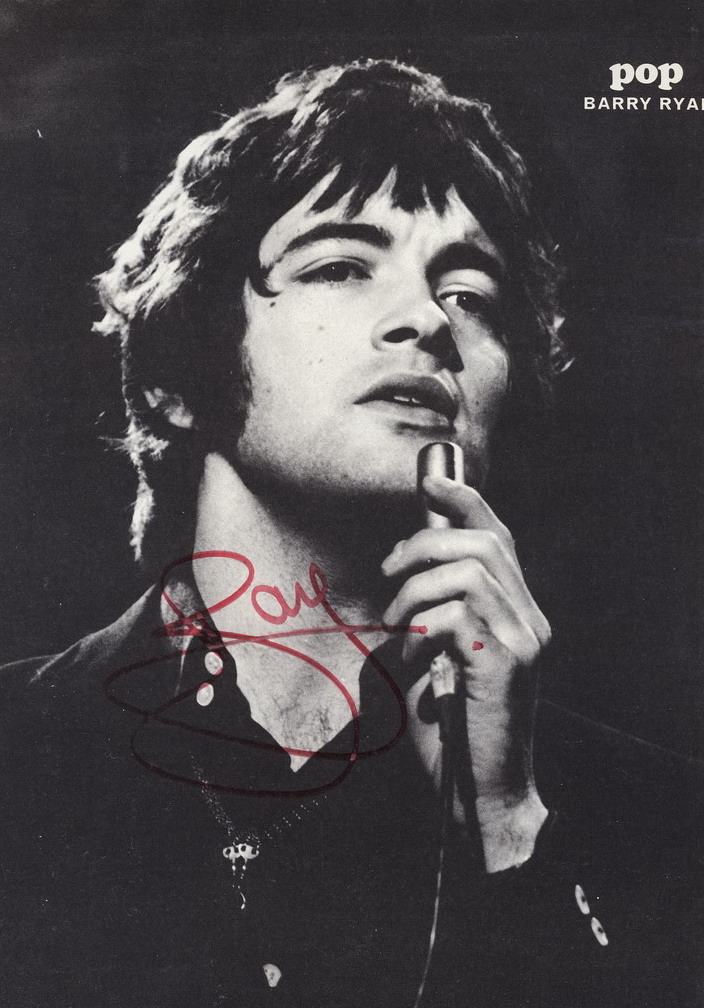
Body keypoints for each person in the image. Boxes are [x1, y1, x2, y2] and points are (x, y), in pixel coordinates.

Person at [0, 59, 699, 1008]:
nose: (427, 321)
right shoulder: (22, 748)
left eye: (472, 295)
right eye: (339, 266)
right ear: (175, 374)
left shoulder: (663, 815)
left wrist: (503, 824)